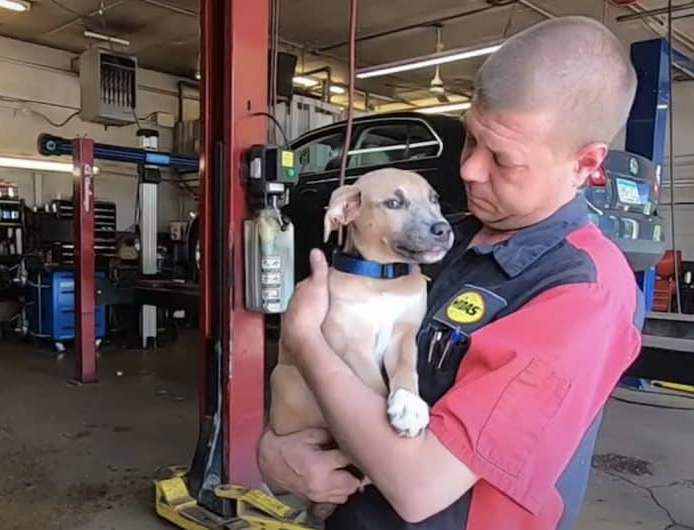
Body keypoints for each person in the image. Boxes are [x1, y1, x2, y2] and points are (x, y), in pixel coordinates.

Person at [258, 15, 645, 530]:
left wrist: (304, 340)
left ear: (584, 163)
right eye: (470, 140)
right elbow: (322, 397)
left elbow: (419, 488)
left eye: (502, 159)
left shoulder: (581, 292)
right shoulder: (450, 238)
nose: (469, 170)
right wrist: (276, 452)